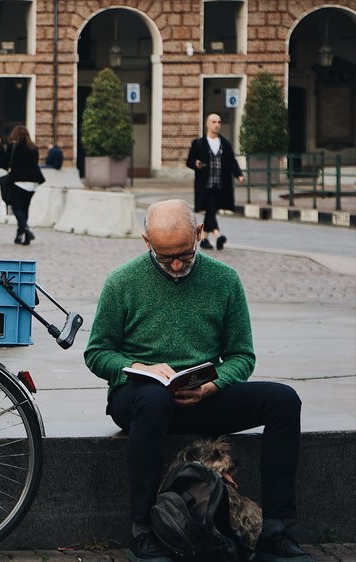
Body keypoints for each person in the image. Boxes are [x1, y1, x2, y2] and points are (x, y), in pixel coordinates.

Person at [84, 199, 312, 562]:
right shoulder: (122, 281)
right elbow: (97, 353)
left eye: (185, 255)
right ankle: (143, 530)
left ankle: (274, 530)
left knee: (284, 400)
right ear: (147, 242)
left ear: (199, 234)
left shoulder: (224, 280)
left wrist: (214, 383)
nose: (176, 265)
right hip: (139, 400)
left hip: (203, 396)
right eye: (164, 256)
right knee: (153, 399)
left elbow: (242, 355)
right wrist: (136, 365)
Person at [186, 113, 243, 250]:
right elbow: (189, 161)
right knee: (211, 208)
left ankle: (204, 239)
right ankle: (218, 236)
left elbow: (231, 161)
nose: (217, 124)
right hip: (205, 184)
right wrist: (196, 164)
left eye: (219, 122)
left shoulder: (225, 143)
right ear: (207, 124)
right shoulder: (198, 143)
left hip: (221, 184)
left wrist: (238, 174)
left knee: (211, 210)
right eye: (214, 122)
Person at [5, 125, 45, 245]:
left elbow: (5, 162)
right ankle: (22, 236)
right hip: (33, 182)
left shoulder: (13, 147)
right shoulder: (34, 147)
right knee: (25, 208)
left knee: (17, 208)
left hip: (18, 181)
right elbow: (36, 163)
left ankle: (26, 229)